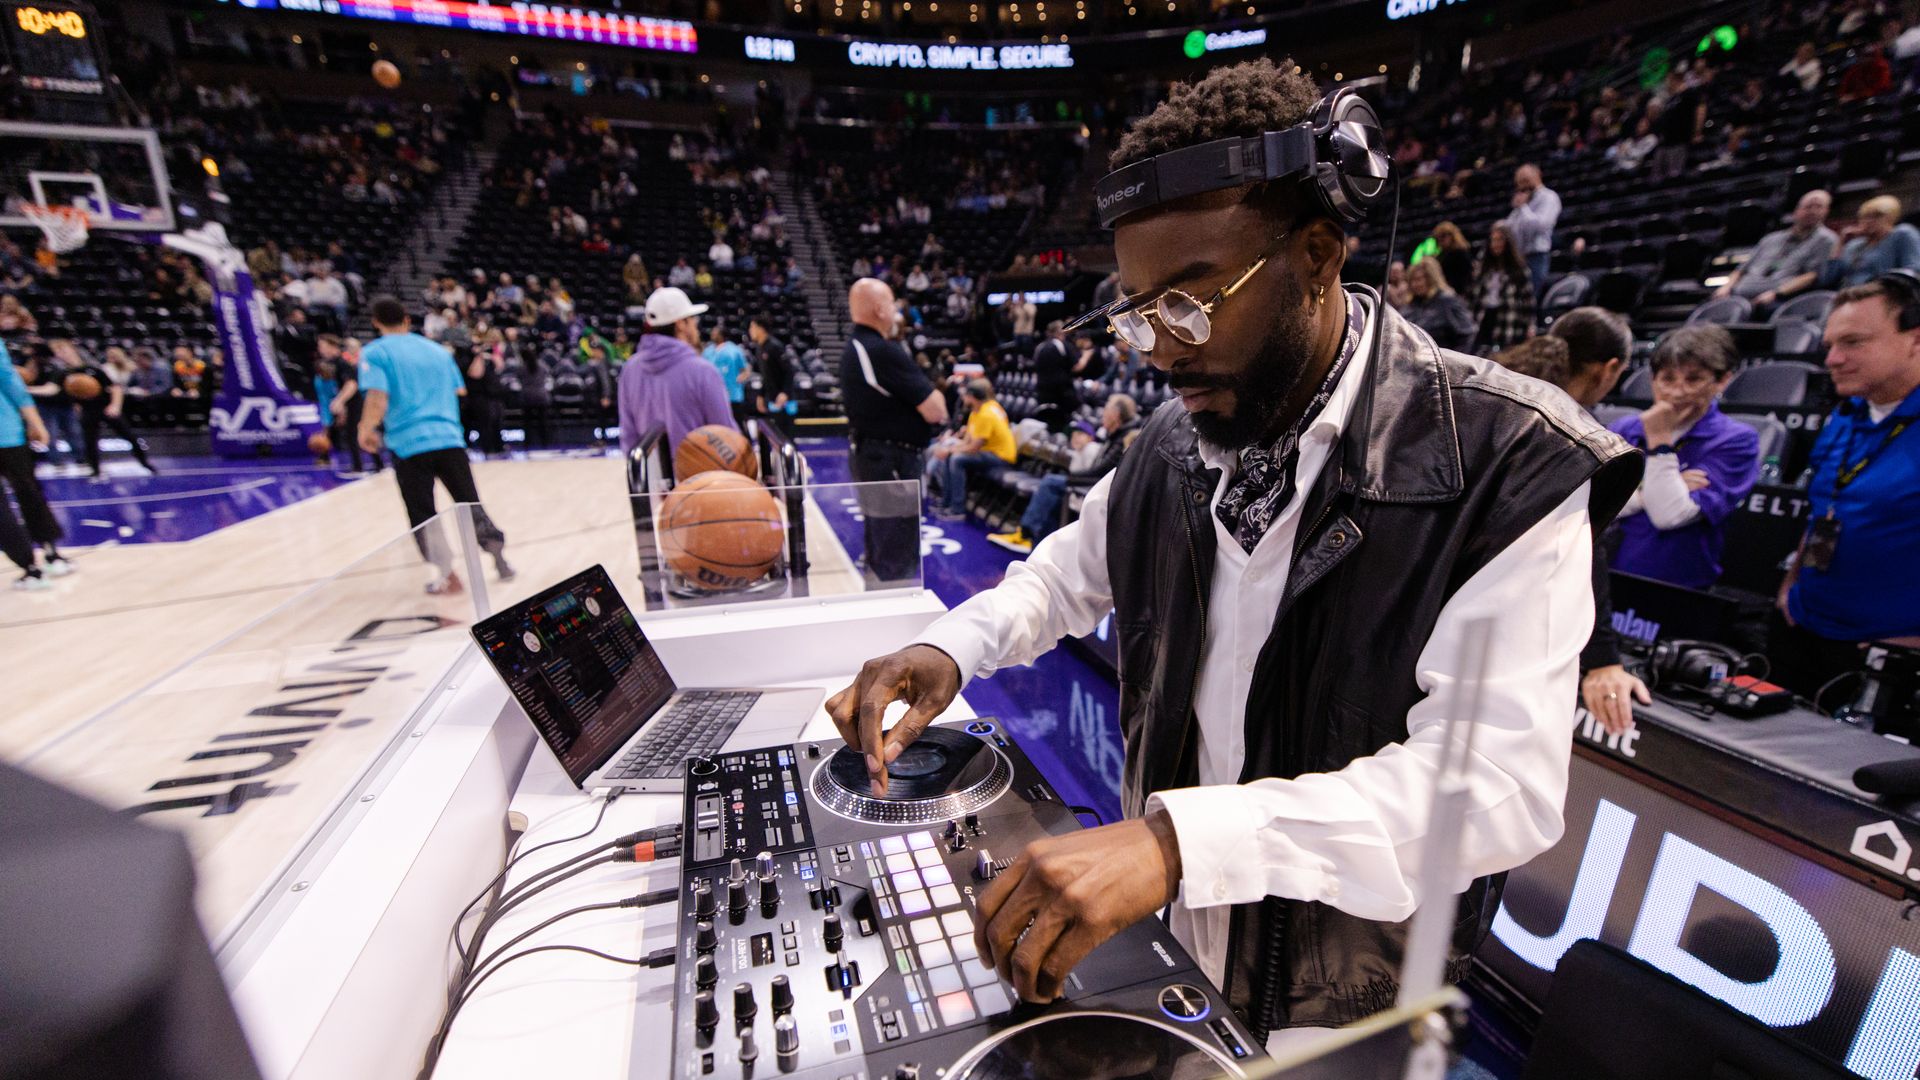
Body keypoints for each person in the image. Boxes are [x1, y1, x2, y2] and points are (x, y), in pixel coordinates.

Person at [822, 59, 1638, 1046]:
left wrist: (1179, 843)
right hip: (1173, 942)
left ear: (1320, 255)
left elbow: (1495, 787)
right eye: (1138, 309)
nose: (1161, 347)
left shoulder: (1507, 460)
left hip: (1343, 1005)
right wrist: (952, 649)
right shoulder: (1171, 440)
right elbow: (1068, 572)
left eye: (1191, 300)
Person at [1772, 276, 1920, 697]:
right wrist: (1790, 586)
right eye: (1830, 345)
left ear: (1914, 340)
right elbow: (1824, 512)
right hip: (1802, 627)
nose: (1833, 359)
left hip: (1887, 658)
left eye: (1853, 342)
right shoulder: (1845, 414)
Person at [355, 296, 512, 595]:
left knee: (423, 512)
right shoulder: (438, 351)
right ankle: (499, 558)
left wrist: (366, 429)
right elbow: (460, 388)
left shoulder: (375, 353)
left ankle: (447, 574)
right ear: (406, 319)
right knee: (469, 503)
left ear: (376, 322)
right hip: (449, 437)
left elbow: (377, 396)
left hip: (408, 443)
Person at [1542, 308, 1646, 736]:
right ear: (1611, 370)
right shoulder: (1577, 435)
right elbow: (1584, 546)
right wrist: (1602, 658)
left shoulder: (1491, 391)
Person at [1605, 324, 1759, 590]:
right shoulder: (1624, 428)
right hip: (1607, 572)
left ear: (1722, 381)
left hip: (1677, 582)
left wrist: (1660, 443)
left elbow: (1669, 515)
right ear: (1653, 380)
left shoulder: (1736, 440)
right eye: (1667, 378)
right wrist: (1655, 489)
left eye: (1694, 379)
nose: (1677, 392)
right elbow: (1597, 503)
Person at [840, 277, 947, 584]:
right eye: (891, 302)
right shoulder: (880, 350)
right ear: (878, 309)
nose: (897, 309)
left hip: (874, 457)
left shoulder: (859, 347)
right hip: (892, 462)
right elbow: (936, 409)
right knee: (896, 552)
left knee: (882, 544)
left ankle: (880, 609)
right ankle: (894, 622)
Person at [989, 393, 1140, 553]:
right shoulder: (1114, 434)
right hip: (1095, 480)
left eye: (1106, 410)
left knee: (1050, 482)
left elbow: (1102, 471)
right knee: (1054, 494)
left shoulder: (1122, 438)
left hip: (1100, 485)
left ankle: (1025, 534)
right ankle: (1042, 545)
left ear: (1115, 415)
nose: (1102, 414)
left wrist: (1071, 478)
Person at [617, 286, 735, 457]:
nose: (695, 324)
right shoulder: (703, 371)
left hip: (651, 479)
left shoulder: (629, 370)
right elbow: (727, 438)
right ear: (681, 324)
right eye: (692, 318)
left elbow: (629, 439)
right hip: (700, 479)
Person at [0, 340, 67, 588]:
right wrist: (35, 421)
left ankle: (30, 569)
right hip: (8, 431)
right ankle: (52, 554)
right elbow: (10, 381)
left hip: (7, 430)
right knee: (29, 491)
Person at [51, 339, 155, 479]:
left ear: (72, 350)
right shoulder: (63, 374)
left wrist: (115, 406)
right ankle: (95, 470)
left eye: (63, 350)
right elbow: (66, 393)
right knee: (89, 442)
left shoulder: (93, 368)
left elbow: (115, 388)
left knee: (129, 436)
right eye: (58, 352)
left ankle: (145, 463)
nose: (61, 354)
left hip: (106, 407)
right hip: (88, 410)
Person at [1715, 189, 1836, 308]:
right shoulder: (1771, 238)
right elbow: (1741, 270)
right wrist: (1726, 287)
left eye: (1819, 207)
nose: (1813, 211)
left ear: (1826, 211)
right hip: (1740, 293)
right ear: (1797, 211)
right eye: (1808, 207)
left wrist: (1776, 293)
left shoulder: (1826, 240)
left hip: (1778, 297)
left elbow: (1811, 276)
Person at [930, 378, 1015, 521]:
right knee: (951, 454)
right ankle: (946, 502)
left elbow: (974, 447)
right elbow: (967, 442)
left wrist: (950, 451)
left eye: (965, 395)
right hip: (988, 453)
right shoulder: (977, 411)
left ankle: (957, 509)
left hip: (1000, 457)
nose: (963, 397)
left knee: (957, 459)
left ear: (972, 396)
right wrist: (949, 448)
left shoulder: (987, 413)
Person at [1821, 195, 1920, 288]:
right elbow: (1828, 279)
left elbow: (1912, 271)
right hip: (1849, 296)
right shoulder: (1854, 245)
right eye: (1865, 217)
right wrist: (1840, 243)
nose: (1869, 221)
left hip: (1885, 295)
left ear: (1891, 217)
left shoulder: (1902, 234)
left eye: (1877, 216)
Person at [1473, 223, 1535, 354]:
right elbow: (1473, 296)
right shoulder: (1484, 269)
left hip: (1509, 319)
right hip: (1485, 318)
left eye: (1499, 240)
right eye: (1493, 240)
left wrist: (1530, 325)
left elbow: (1528, 301)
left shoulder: (1520, 270)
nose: (1495, 244)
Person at [1503, 163, 1561, 303]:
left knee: (1530, 300)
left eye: (1525, 180)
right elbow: (1509, 228)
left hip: (1536, 257)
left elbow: (1541, 225)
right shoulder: (1523, 200)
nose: (1522, 185)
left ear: (1537, 176)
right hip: (1518, 258)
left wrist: (1523, 207)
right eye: (1519, 181)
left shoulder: (1548, 197)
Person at [1401, 259, 1478, 352]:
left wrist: (1456, 362)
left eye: (1418, 279)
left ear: (1431, 279)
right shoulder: (1410, 306)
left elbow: (1468, 334)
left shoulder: (1447, 302)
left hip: (1443, 361)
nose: (1414, 284)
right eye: (1411, 280)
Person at [1031, 320, 1078, 433]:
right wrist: (1087, 356)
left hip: (1042, 394)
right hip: (1061, 394)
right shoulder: (1062, 345)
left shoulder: (1039, 347)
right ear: (1060, 332)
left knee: (1048, 425)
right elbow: (1076, 367)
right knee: (1062, 426)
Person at [703, 326, 752, 423]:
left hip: (732, 395)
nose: (712, 334)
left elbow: (745, 369)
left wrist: (742, 376)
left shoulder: (735, 350)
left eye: (715, 332)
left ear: (722, 335)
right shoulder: (707, 351)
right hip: (712, 396)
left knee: (736, 425)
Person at [747, 318, 792, 418]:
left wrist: (785, 392)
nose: (750, 330)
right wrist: (760, 396)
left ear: (761, 329)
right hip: (770, 398)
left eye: (752, 327)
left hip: (782, 398)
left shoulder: (775, 346)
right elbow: (765, 376)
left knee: (782, 431)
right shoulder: (759, 348)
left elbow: (789, 371)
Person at [1430, 222, 1475, 298]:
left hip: (1459, 293)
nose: (1441, 240)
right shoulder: (1439, 256)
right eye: (1438, 238)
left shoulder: (1461, 253)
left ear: (1452, 236)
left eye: (1443, 236)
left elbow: (1466, 277)